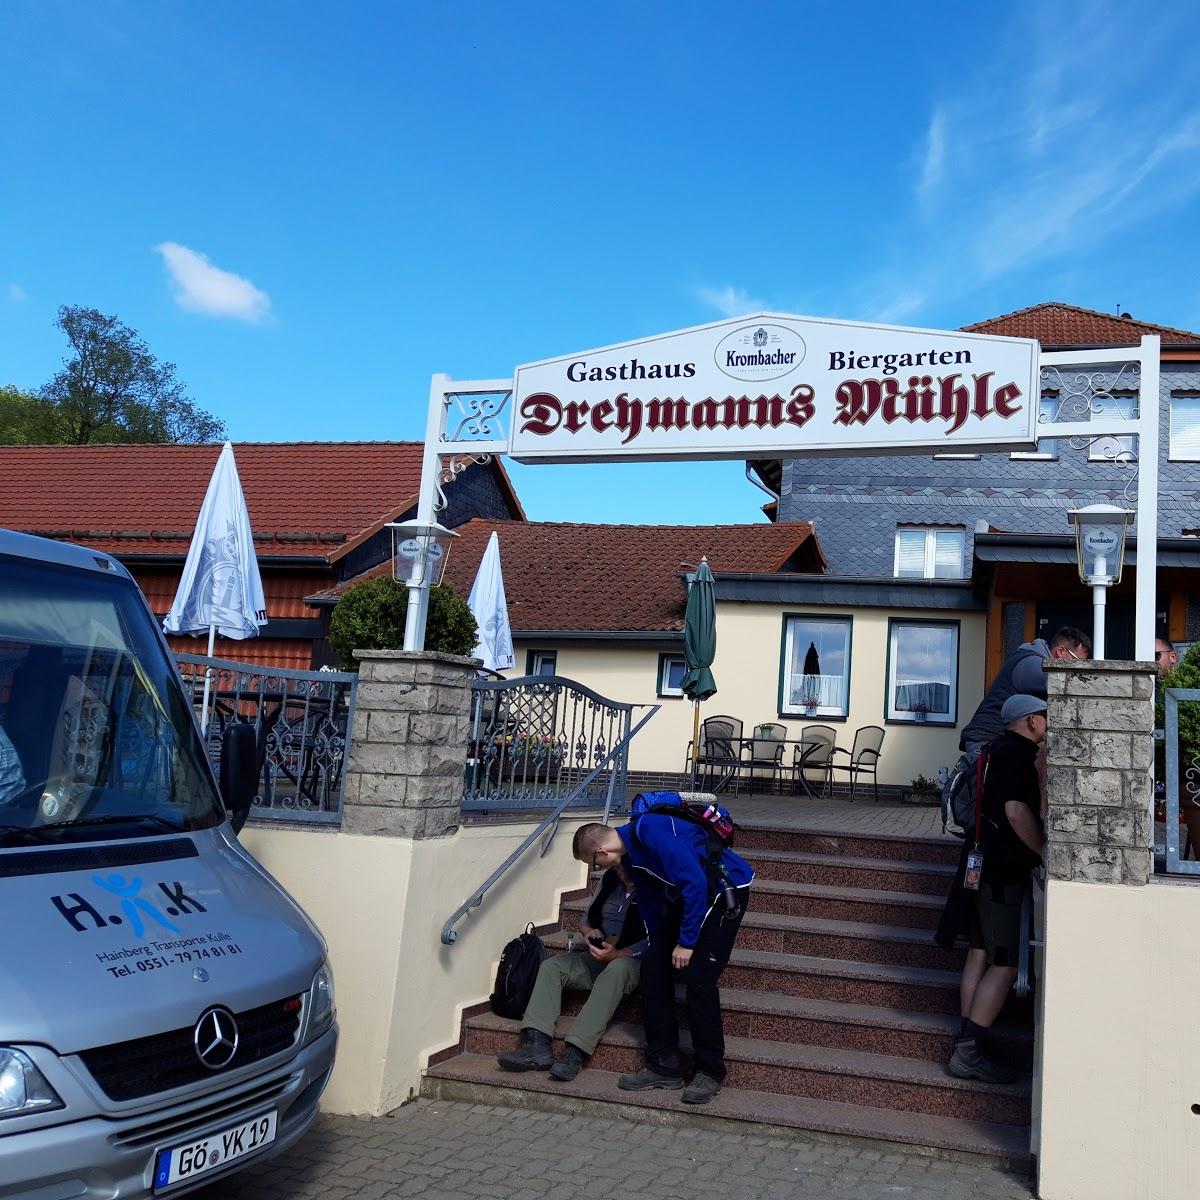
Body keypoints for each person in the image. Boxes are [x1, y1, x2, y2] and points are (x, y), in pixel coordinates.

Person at [572, 812, 753, 1106]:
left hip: (724, 891)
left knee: (699, 980)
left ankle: (710, 1071)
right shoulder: (629, 857)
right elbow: (652, 902)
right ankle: (664, 1065)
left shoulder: (649, 831)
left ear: (601, 852)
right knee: (653, 968)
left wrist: (686, 942)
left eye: (594, 864)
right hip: (692, 896)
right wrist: (658, 943)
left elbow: (694, 881)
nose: (597, 869)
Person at [940, 693, 1047, 1085]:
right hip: (1001, 871)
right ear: (1031, 722)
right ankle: (968, 1053)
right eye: (1045, 718)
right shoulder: (1019, 756)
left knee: (979, 953)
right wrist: (1043, 854)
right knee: (1006, 963)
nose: (1048, 725)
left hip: (976, 862)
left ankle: (967, 1040)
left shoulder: (990, 750)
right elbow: (1017, 812)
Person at [498, 859, 645, 1082]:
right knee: (552, 966)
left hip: (633, 961)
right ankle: (536, 1043)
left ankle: (574, 1052)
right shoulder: (610, 880)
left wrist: (617, 954)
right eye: (619, 870)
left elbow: (657, 940)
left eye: (627, 871)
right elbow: (586, 919)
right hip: (599, 954)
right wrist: (589, 932)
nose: (623, 876)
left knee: (616, 970)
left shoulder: (655, 888)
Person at [959, 626, 1090, 754]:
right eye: (1078, 662)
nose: (1077, 670)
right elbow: (1068, 685)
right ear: (1060, 652)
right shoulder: (1031, 665)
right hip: (986, 741)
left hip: (1002, 742)